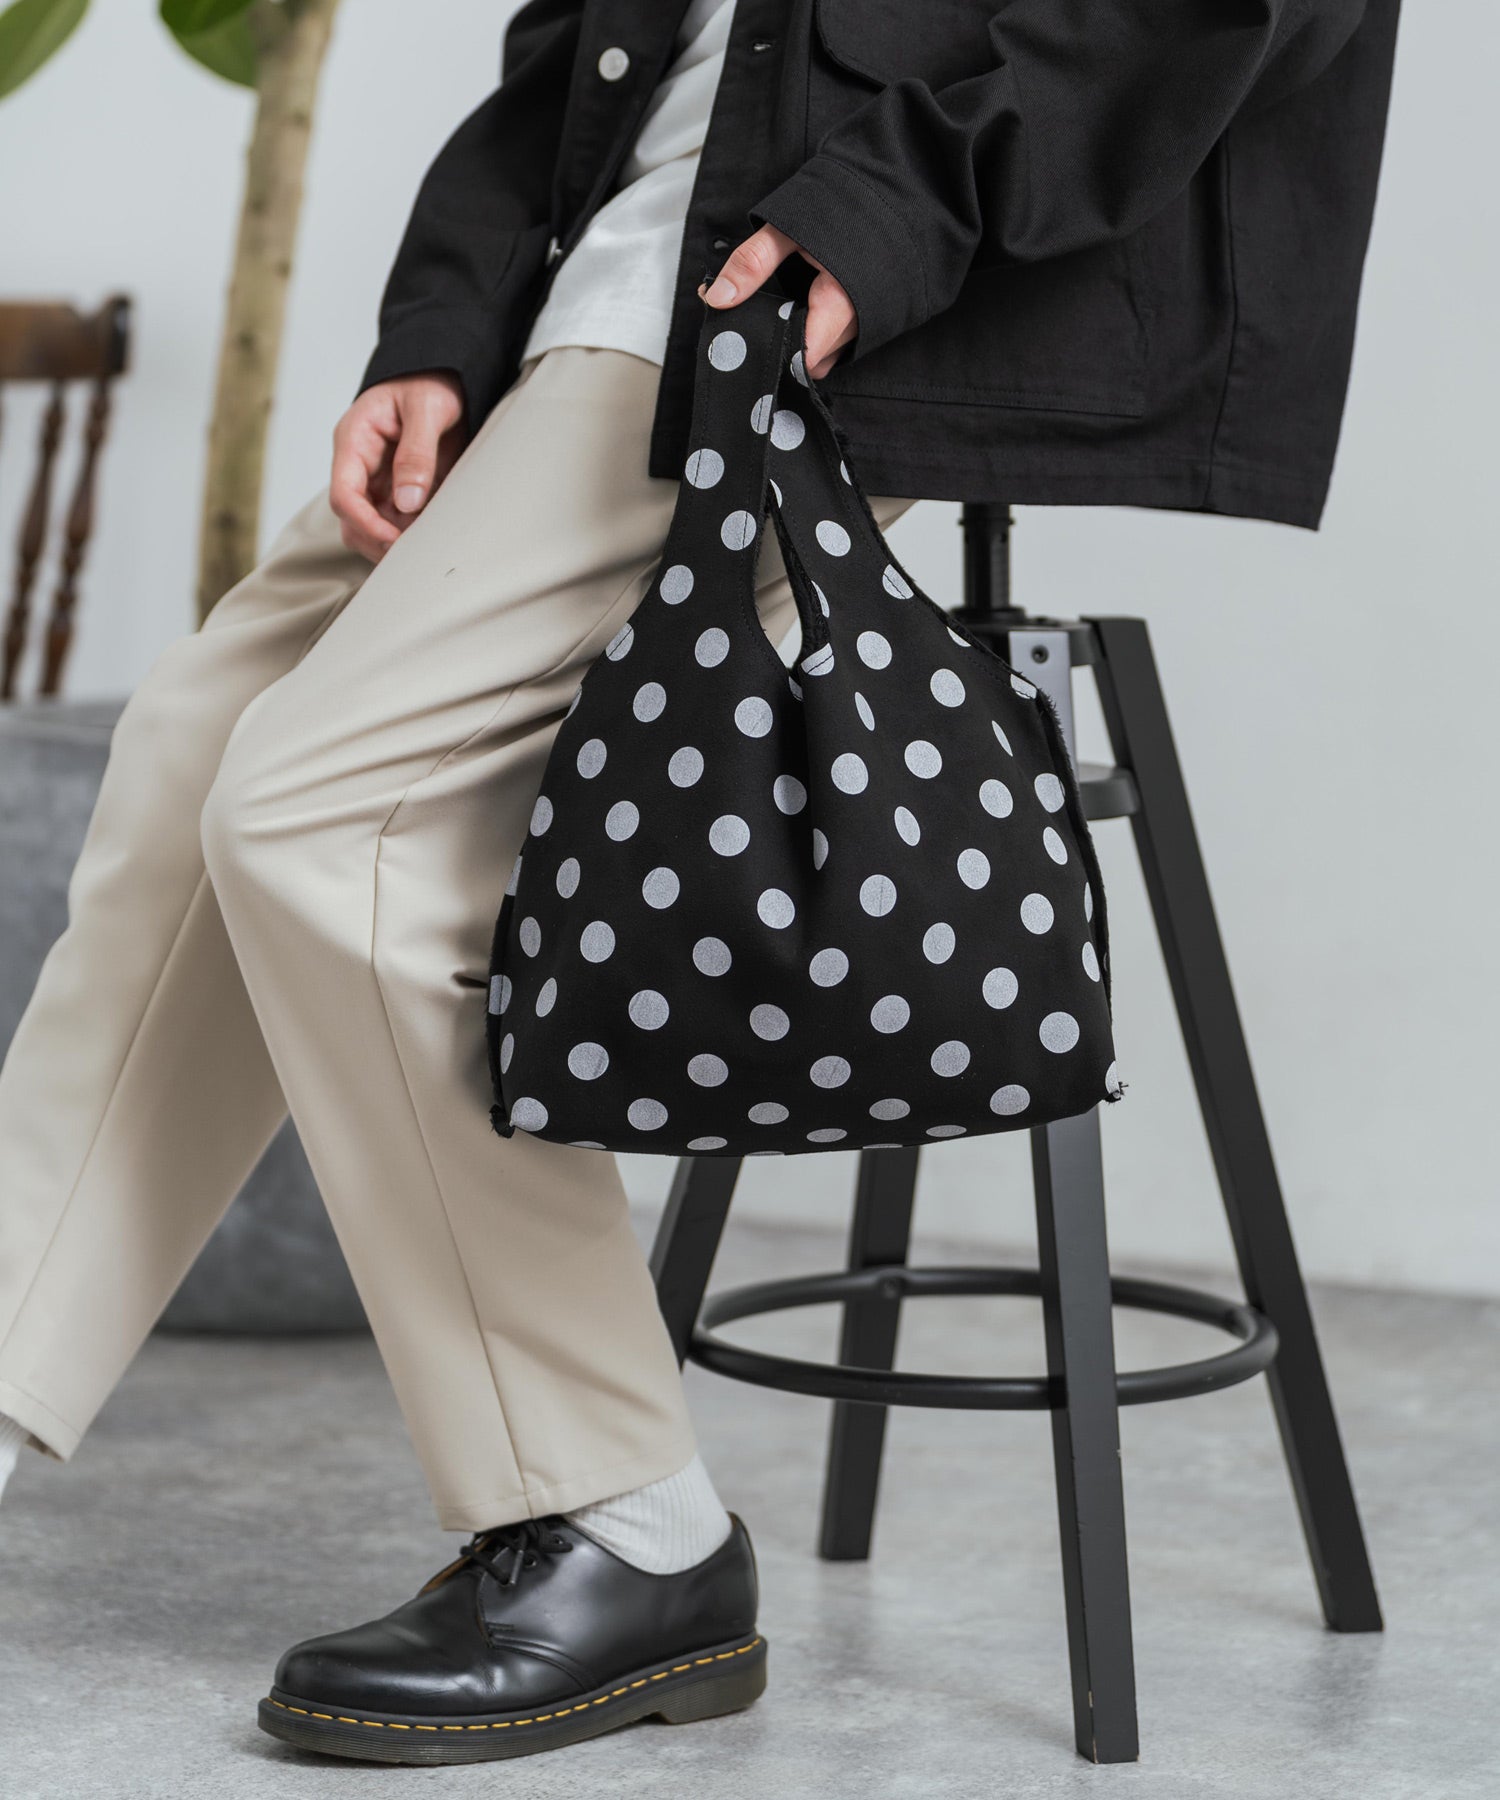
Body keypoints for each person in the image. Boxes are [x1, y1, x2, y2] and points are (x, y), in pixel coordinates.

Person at [0, 0, 1398, 1767]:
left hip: (861, 283)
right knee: (198, 742)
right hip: (610, 278)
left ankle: (619, 1519)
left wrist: (902, 201)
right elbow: (586, 33)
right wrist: (448, 315)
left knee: (323, 808)